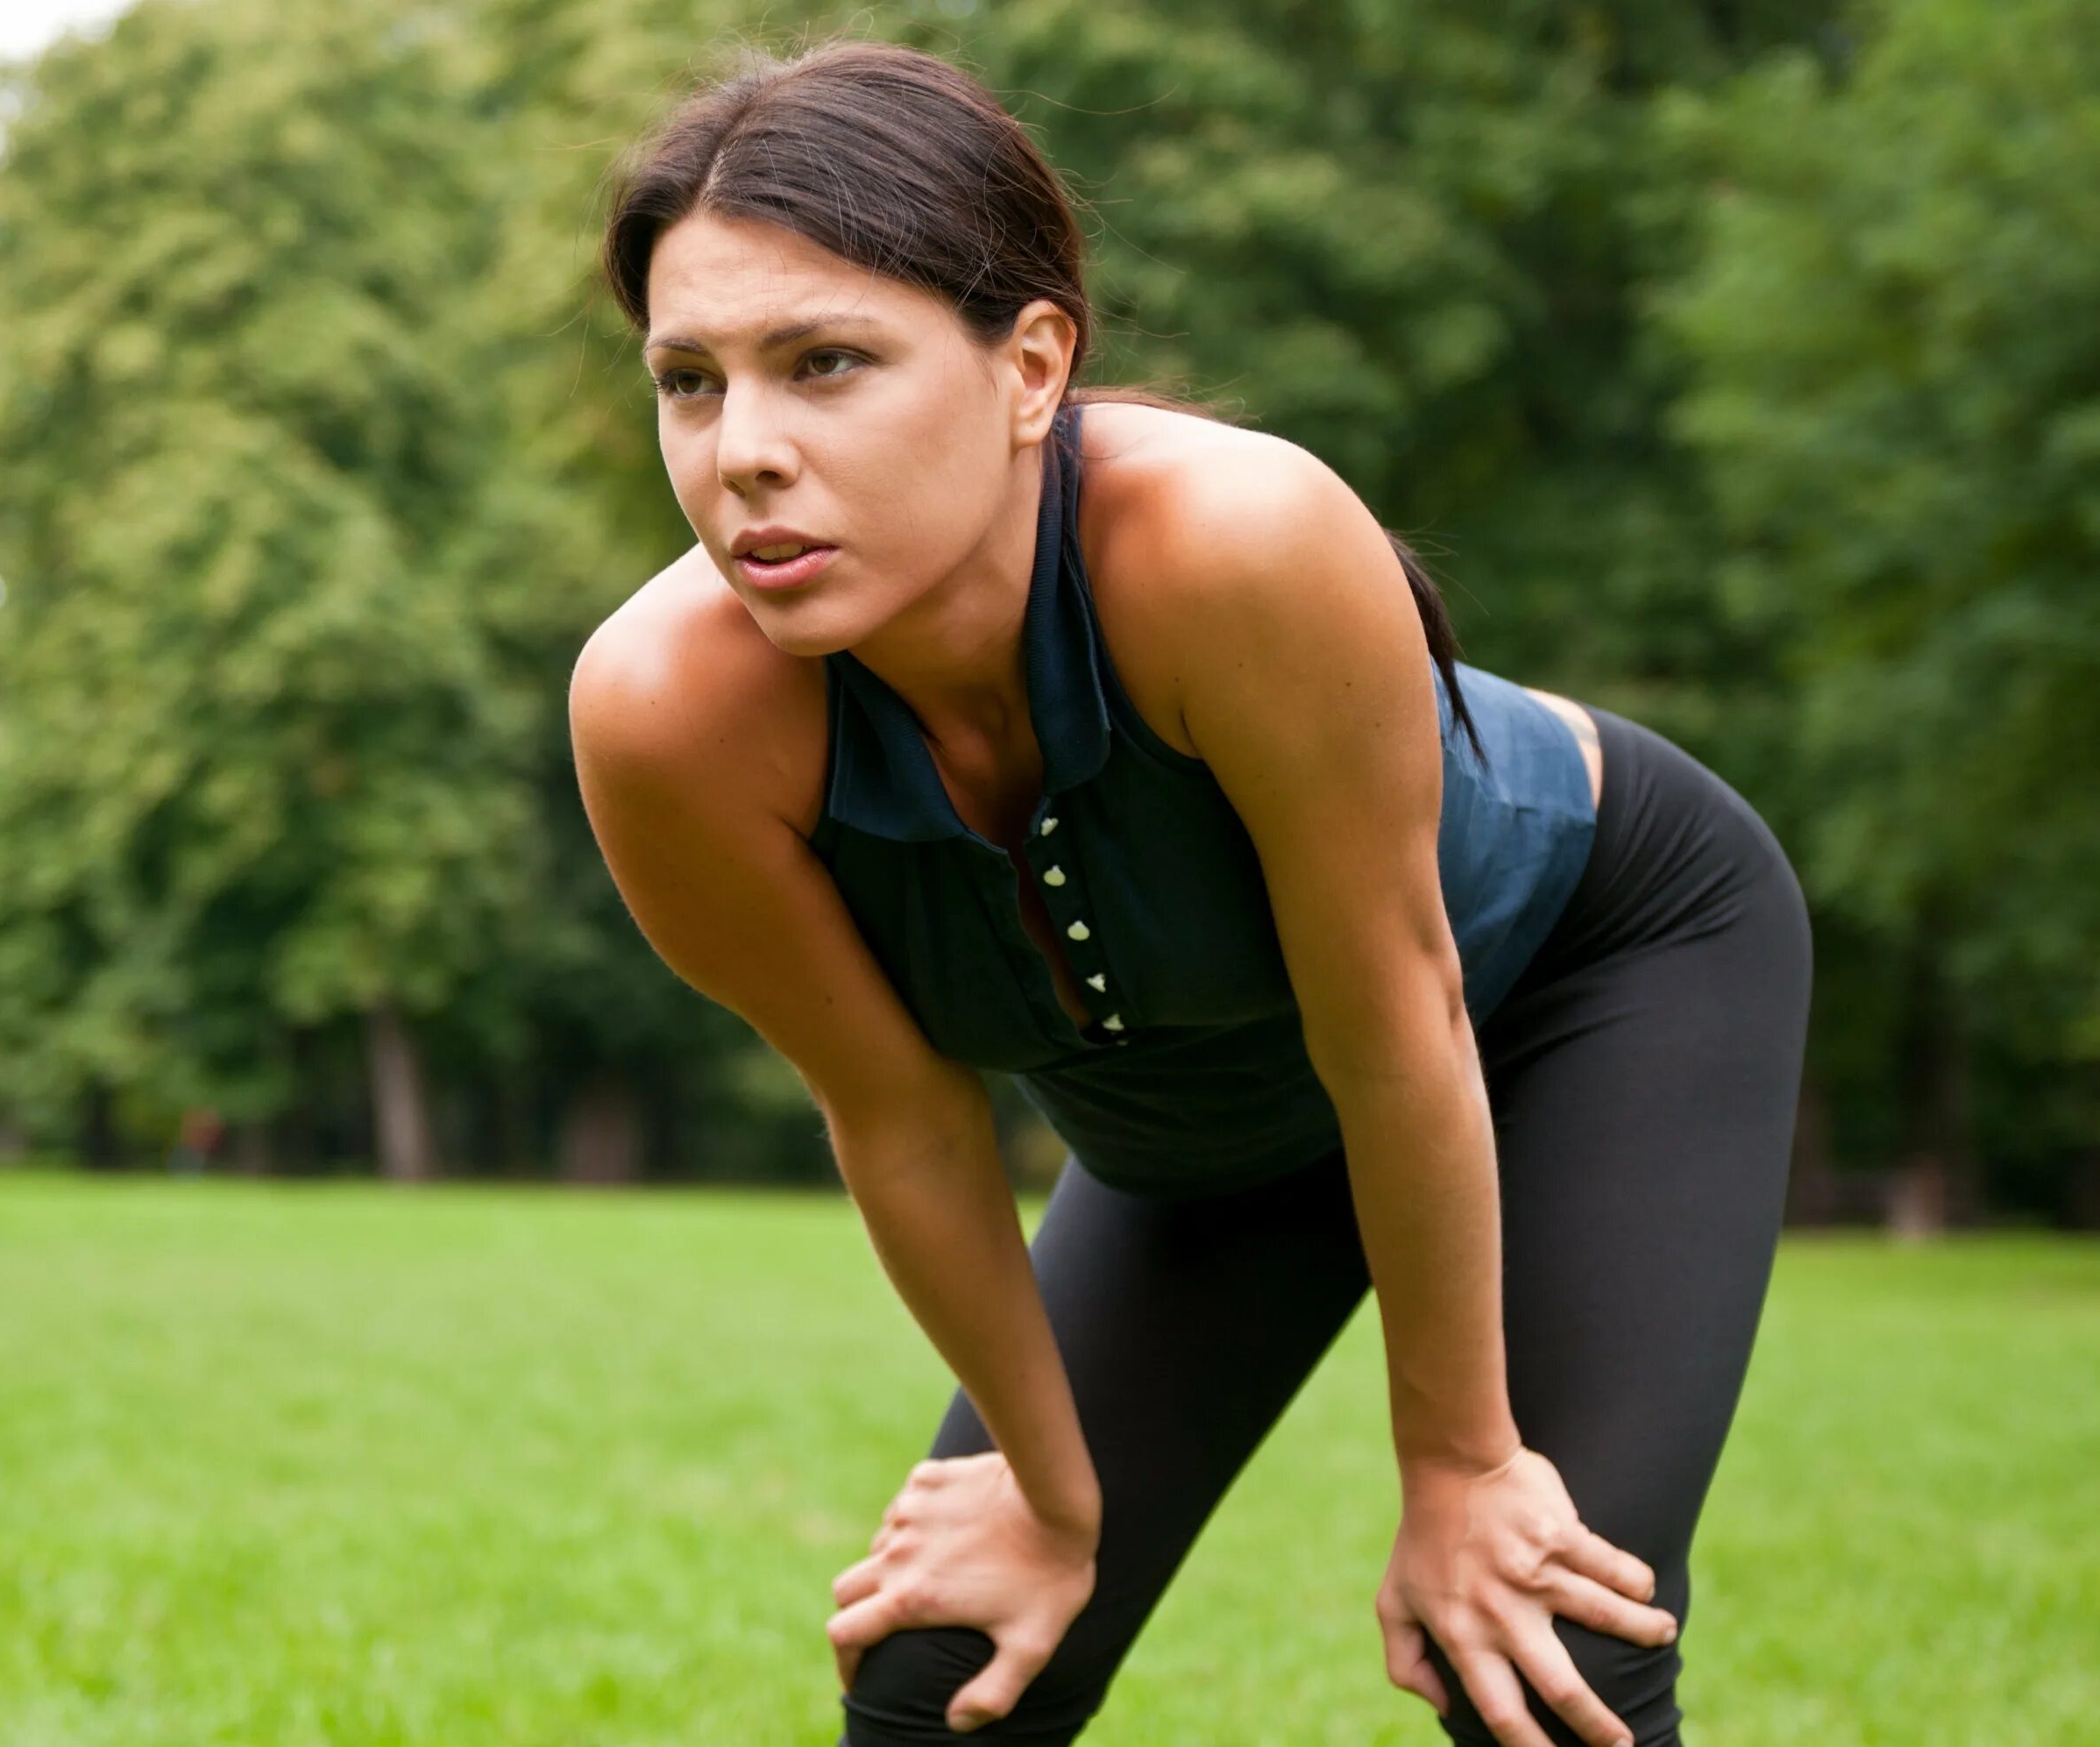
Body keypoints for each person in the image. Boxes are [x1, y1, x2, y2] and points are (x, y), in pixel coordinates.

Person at [568, 39, 1811, 1747]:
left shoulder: (1232, 545)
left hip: (1580, 976)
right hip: (1210, 1109)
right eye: (691, 380)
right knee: (951, 1680)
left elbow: (1397, 1016)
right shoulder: (668, 719)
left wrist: (1457, 1461)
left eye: (827, 362)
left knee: (1535, 1651)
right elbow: (905, 1118)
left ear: (1032, 364)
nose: (745, 452)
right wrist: (1048, 1493)